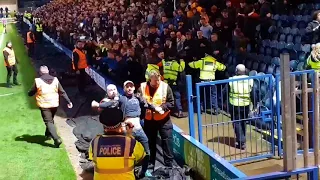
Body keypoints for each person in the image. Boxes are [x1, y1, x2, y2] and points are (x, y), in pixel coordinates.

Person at [92, 80, 149, 177]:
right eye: (127, 87)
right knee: (126, 153)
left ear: (134, 88)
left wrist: (156, 107)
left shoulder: (139, 98)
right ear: (124, 89)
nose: (129, 88)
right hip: (128, 131)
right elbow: (111, 103)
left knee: (147, 153)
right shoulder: (121, 99)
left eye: (131, 86)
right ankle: (130, 171)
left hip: (139, 130)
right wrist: (99, 105)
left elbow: (147, 105)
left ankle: (143, 172)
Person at [88, 107, 147, 180]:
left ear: (103, 126)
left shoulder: (95, 142)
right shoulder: (131, 143)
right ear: (121, 126)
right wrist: (129, 135)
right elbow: (141, 159)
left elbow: (94, 159)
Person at [28, 66, 73, 148]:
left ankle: (56, 139)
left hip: (44, 104)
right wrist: (69, 101)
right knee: (50, 119)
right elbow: (62, 92)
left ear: (40, 72)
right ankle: (48, 134)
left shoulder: (38, 81)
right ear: (48, 71)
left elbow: (32, 92)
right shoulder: (55, 80)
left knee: (48, 121)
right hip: (54, 104)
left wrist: (29, 93)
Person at [138, 70, 175, 170]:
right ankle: (150, 163)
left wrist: (162, 107)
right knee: (150, 142)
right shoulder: (142, 87)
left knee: (167, 142)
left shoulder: (166, 87)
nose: (157, 82)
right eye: (155, 81)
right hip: (149, 120)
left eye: (158, 80)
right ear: (150, 80)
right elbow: (138, 97)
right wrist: (142, 101)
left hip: (164, 119)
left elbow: (171, 102)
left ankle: (169, 165)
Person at [228, 64, 253, 150]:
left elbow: (225, 91)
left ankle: (241, 142)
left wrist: (224, 102)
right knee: (243, 122)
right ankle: (242, 139)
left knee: (237, 123)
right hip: (246, 104)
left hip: (235, 104)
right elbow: (253, 93)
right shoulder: (249, 79)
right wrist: (255, 103)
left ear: (236, 71)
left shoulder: (231, 80)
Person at [157, 53, 186, 118]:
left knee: (165, 98)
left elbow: (157, 65)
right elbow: (181, 69)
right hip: (173, 84)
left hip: (165, 83)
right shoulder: (175, 64)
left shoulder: (164, 62)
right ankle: (180, 112)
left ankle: (162, 111)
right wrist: (182, 62)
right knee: (177, 97)